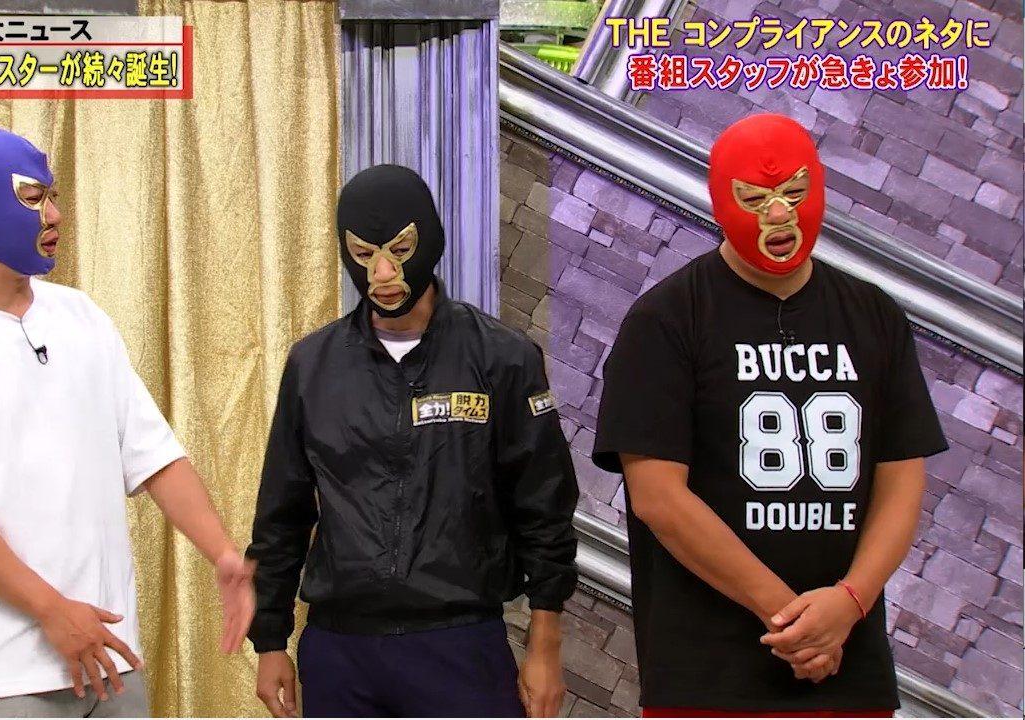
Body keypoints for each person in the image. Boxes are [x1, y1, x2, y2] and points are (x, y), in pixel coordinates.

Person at [0, 127, 254, 717]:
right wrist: (52, 610)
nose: (54, 214)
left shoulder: (82, 317)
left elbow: (153, 454)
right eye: (33, 198)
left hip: (110, 659)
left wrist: (223, 554)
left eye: (53, 196)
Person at [591, 113, 948, 717]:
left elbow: (901, 480)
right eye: (755, 199)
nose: (779, 215)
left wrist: (849, 602)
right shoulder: (666, 319)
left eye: (795, 193)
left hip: (847, 670)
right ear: (720, 201)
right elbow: (658, 497)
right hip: (707, 677)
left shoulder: (874, 315)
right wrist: (793, 619)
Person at [247, 164, 580, 718]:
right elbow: (281, 512)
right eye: (363, 254)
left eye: (399, 250)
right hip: (340, 651)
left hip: (461, 643)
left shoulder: (503, 357)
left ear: (429, 241)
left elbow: (544, 505)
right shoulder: (312, 365)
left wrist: (546, 645)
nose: (382, 273)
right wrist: (269, 640)